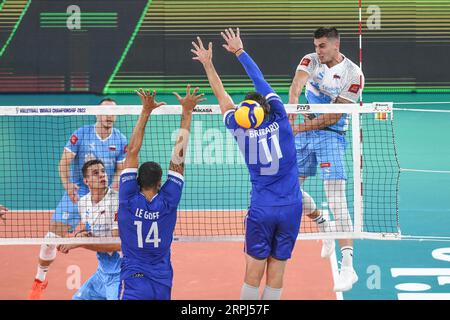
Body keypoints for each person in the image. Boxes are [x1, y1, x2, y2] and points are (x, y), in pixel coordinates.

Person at [192, 28, 302, 300]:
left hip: (262, 209)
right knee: (277, 273)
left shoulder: (239, 130)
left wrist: (208, 63)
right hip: (291, 208)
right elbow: (259, 79)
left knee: (253, 273)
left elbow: (222, 96)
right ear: (266, 108)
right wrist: (239, 51)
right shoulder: (281, 120)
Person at [288, 26, 364, 292]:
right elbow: (297, 83)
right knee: (288, 190)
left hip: (331, 136)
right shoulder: (311, 60)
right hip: (304, 133)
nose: (317, 51)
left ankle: (348, 267)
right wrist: (293, 107)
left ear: (335, 45)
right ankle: (322, 222)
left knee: (337, 200)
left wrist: (300, 127)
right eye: (316, 45)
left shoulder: (353, 74)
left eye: (322, 46)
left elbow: (333, 116)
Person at [29, 98, 128, 299]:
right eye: (105, 112)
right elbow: (63, 163)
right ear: (96, 114)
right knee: (50, 240)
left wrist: (114, 184)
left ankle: (117, 278)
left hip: (103, 198)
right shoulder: (81, 134)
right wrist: (67, 185)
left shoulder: (120, 140)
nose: (109, 116)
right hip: (77, 196)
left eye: (113, 112)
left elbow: (120, 170)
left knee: (113, 242)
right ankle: (40, 280)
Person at [118, 86, 205, 300]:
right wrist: (187, 113)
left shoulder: (128, 197)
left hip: (134, 276)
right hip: (162, 278)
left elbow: (132, 152)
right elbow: (178, 159)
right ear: (160, 183)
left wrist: (146, 111)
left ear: (136, 180)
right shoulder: (168, 200)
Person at [56, 159, 121, 300]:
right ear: (86, 181)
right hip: (102, 271)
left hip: (119, 273)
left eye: (103, 171)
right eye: (96, 173)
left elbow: (117, 244)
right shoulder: (83, 203)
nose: (102, 175)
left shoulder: (116, 201)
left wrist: (80, 243)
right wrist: (81, 235)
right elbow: (92, 231)